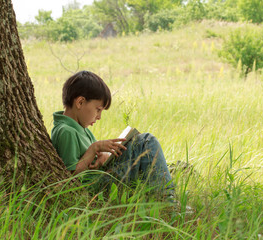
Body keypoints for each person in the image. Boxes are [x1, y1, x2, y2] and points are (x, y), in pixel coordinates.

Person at [51, 70, 174, 198]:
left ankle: (160, 197)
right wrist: (94, 149)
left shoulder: (81, 128)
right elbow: (70, 176)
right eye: (98, 110)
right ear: (80, 102)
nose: (99, 117)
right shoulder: (66, 131)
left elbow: (89, 162)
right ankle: (167, 200)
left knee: (141, 144)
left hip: (102, 180)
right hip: (96, 189)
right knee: (146, 141)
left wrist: (103, 157)